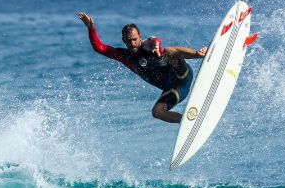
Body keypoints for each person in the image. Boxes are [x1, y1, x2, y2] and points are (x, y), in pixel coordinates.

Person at [78, 11, 207, 123]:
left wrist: (156, 45)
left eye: (134, 39)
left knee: (168, 51)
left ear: (140, 36)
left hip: (182, 75)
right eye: (128, 41)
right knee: (157, 112)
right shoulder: (124, 56)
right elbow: (100, 48)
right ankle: (186, 122)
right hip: (174, 90)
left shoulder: (149, 44)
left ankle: (199, 54)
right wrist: (91, 28)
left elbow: (155, 40)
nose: (132, 43)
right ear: (123, 40)